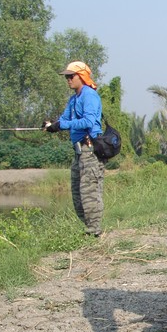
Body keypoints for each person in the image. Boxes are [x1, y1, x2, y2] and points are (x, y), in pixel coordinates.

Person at [43, 61, 105, 237]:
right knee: (77, 196)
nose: (68, 80)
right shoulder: (73, 99)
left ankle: (94, 233)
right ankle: (89, 230)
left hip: (90, 150)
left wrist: (62, 125)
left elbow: (88, 122)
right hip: (78, 153)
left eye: (71, 76)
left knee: (89, 193)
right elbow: (63, 119)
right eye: (67, 77)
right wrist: (52, 125)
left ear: (82, 77)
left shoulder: (89, 96)